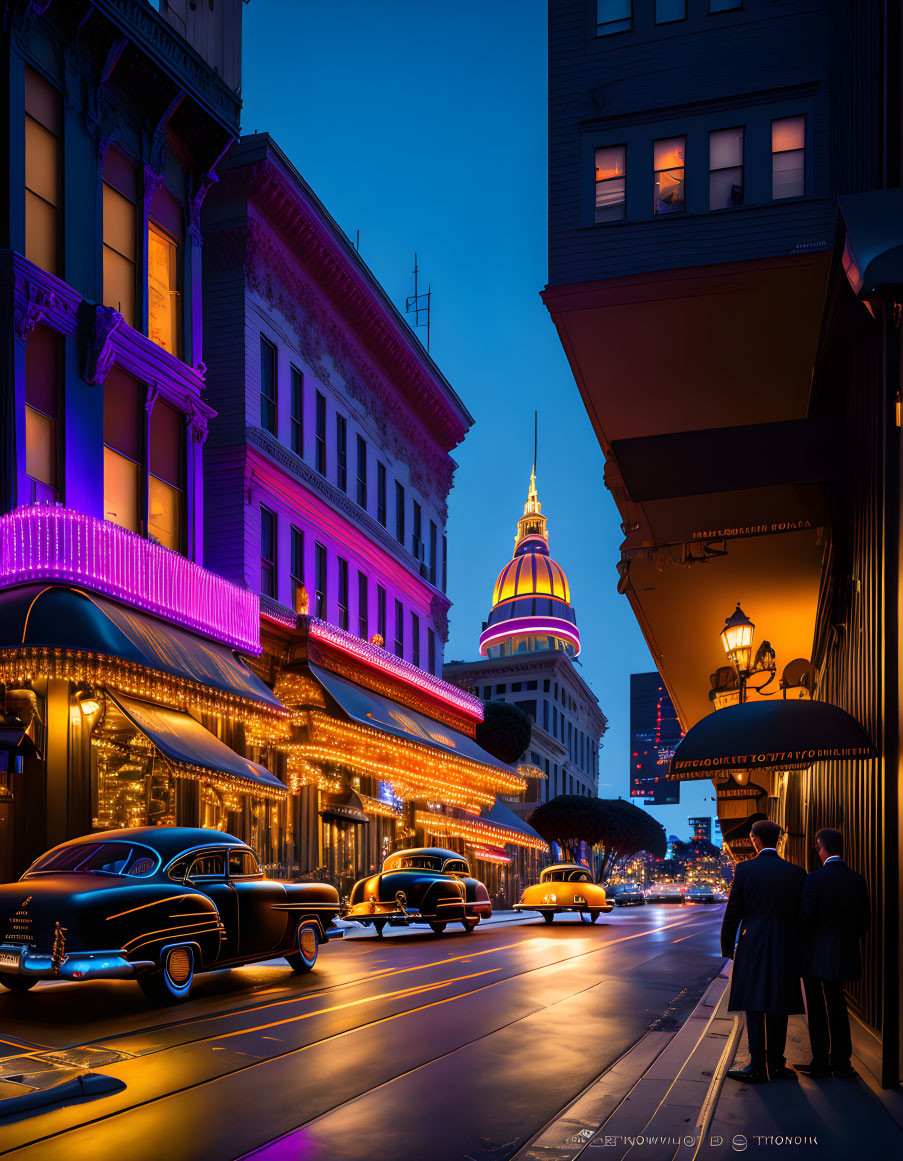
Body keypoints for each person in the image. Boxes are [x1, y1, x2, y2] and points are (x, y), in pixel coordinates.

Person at [721, 818, 806, 1083]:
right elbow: (802, 915)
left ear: (754, 838)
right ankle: (778, 1065)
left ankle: (756, 1064)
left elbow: (734, 910)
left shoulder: (745, 869)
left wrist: (727, 945)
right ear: (778, 840)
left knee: (754, 1003)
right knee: (779, 1002)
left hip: (753, 942)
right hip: (785, 943)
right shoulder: (796, 872)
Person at [798, 827, 870, 1078]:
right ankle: (841, 1061)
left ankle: (820, 1060)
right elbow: (863, 924)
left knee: (817, 1008)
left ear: (821, 846)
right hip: (844, 953)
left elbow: (804, 919)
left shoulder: (814, 879)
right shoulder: (857, 879)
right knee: (838, 1005)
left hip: (815, 955)